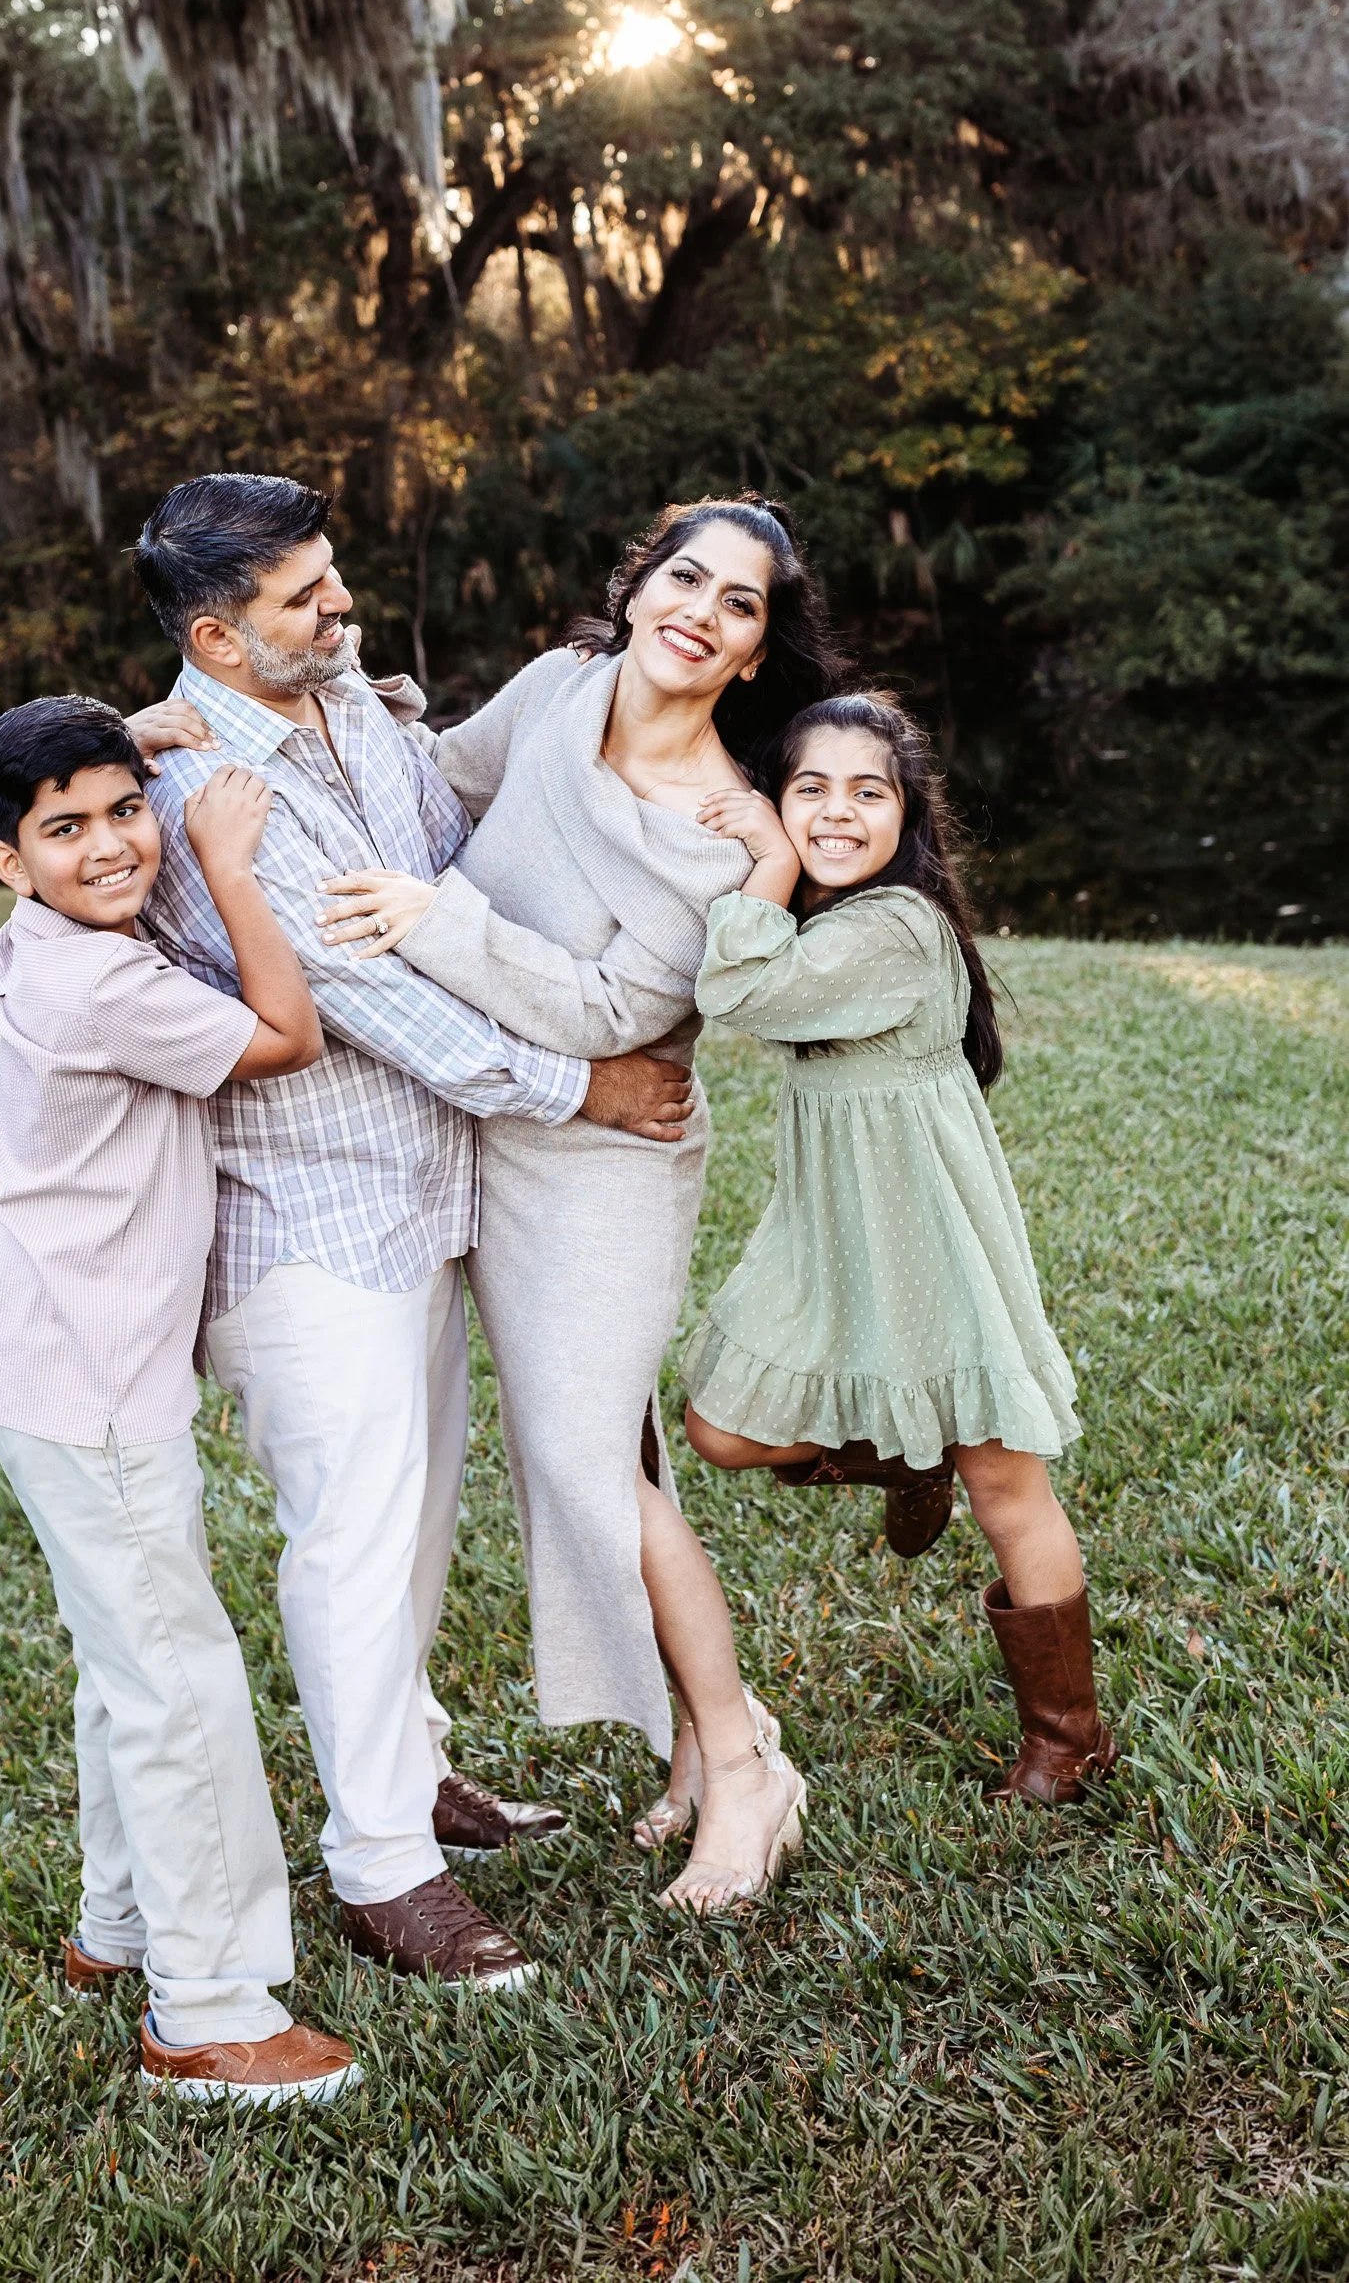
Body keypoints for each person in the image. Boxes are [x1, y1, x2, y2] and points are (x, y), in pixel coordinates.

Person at [127, 473, 695, 1990]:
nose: (339, 604)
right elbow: (375, 1007)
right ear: (215, 638)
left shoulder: (354, 709)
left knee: (417, 1517)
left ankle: (411, 1765)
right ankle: (384, 1867)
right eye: (303, 596)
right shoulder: (193, 797)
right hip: (306, 1217)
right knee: (356, 1543)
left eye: (332, 575)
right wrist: (587, 1082)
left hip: (430, 1195)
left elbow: (457, 858)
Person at [316, 497, 851, 1911]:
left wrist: (438, 923)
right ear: (638, 589)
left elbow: (623, 1014)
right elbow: (443, 782)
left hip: (609, 1162)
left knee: (582, 1464)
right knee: (606, 1445)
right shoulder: (563, 687)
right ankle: (690, 1743)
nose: (703, 611)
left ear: (751, 655)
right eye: (687, 577)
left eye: (739, 605)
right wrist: (318, 713)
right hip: (480, 1124)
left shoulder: (739, 829)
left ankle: (745, 1768)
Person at [0, 692, 362, 2108]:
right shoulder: (102, 982)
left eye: (121, 810)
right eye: (63, 830)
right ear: (9, 864)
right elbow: (285, 1035)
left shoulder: (51, 939)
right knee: (176, 1680)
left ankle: (116, 1927)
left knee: (120, 1657)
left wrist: (145, 742)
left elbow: (85, 781)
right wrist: (229, 863)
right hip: (98, 1384)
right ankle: (206, 2009)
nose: (113, 845)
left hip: (48, 1365)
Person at [679, 691, 1118, 1804]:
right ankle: (901, 1450)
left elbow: (739, 988)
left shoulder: (893, 927)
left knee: (1005, 1482)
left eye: (865, 791)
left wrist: (767, 859)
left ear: (906, 813)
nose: (835, 813)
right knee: (720, 1429)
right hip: (835, 1240)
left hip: (929, 1239)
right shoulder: (833, 922)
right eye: (806, 790)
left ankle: (1068, 1741)